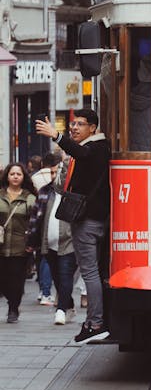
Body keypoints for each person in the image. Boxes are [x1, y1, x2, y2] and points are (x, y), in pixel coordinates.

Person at [35, 109, 111, 343]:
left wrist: (56, 136)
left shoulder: (95, 148)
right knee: (94, 272)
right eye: (73, 124)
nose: (74, 128)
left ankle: (96, 323)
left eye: (80, 124)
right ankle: (97, 320)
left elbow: (80, 152)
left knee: (89, 273)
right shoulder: (96, 148)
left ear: (93, 128)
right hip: (95, 220)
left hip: (88, 221)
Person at [27, 159, 77, 325]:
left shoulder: (73, 193)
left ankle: (61, 310)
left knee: (65, 275)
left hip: (69, 244)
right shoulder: (45, 192)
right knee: (57, 278)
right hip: (48, 244)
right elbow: (36, 218)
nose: (56, 176)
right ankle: (68, 304)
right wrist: (32, 241)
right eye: (53, 173)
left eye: (60, 172)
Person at [0, 163, 37, 323]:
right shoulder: (0, 195)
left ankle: (13, 308)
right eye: (12, 174)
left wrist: (32, 243)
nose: (15, 177)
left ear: (23, 177)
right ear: (7, 176)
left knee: (17, 280)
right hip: (1, 246)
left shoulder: (30, 198)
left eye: (18, 174)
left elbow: (35, 222)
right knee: (2, 280)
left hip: (20, 246)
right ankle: (11, 301)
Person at [32, 152, 62, 304]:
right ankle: (51, 293)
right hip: (49, 230)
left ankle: (45, 292)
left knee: (45, 260)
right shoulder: (50, 188)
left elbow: (36, 213)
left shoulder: (36, 179)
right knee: (49, 260)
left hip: (44, 229)